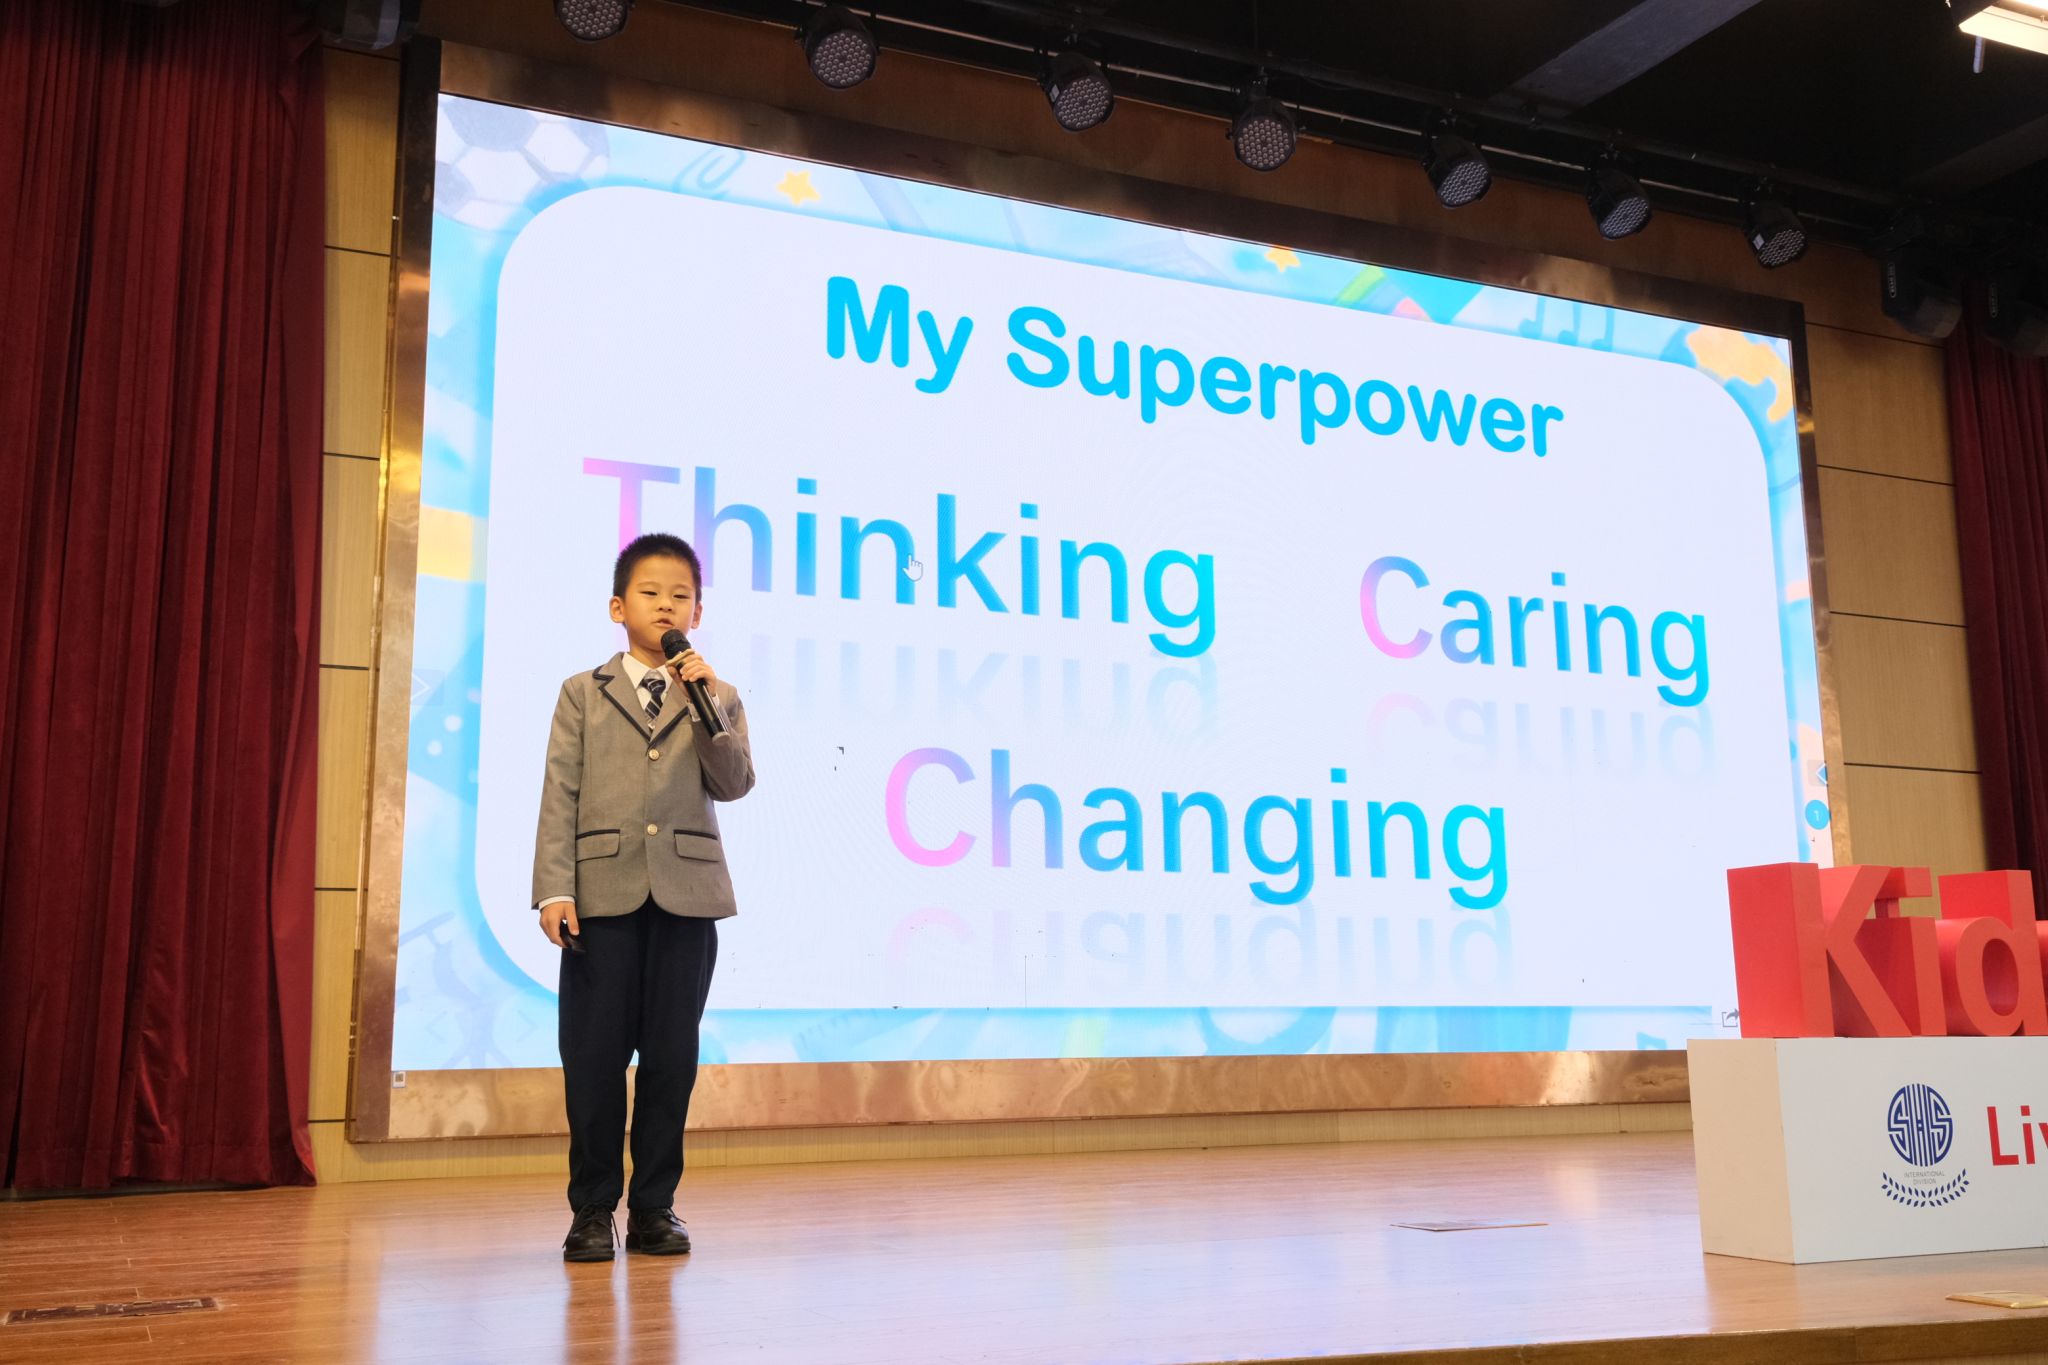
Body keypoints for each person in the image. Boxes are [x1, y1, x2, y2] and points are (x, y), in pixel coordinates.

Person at [531, 532, 755, 1262]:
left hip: (688, 897)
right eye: (651, 593)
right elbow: (560, 792)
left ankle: (655, 1207)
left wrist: (705, 704)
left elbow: (734, 782)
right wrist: (554, 887)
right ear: (618, 607)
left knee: (670, 1058)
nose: (667, 606)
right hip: (601, 896)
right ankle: (593, 1210)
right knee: (593, 1058)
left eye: (681, 596)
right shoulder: (582, 691)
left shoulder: (717, 695)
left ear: (697, 612)